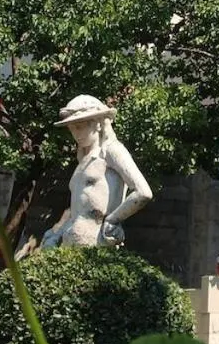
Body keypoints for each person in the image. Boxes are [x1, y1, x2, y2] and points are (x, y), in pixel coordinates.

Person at [40, 95, 153, 248]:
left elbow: (143, 192)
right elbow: (78, 212)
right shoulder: (83, 161)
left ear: (98, 124)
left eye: (80, 126)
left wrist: (113, 220)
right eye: (72, 128)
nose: (75, 134)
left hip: (97, 242)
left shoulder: (112, 151)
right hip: (70, 244)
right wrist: (57, 235)